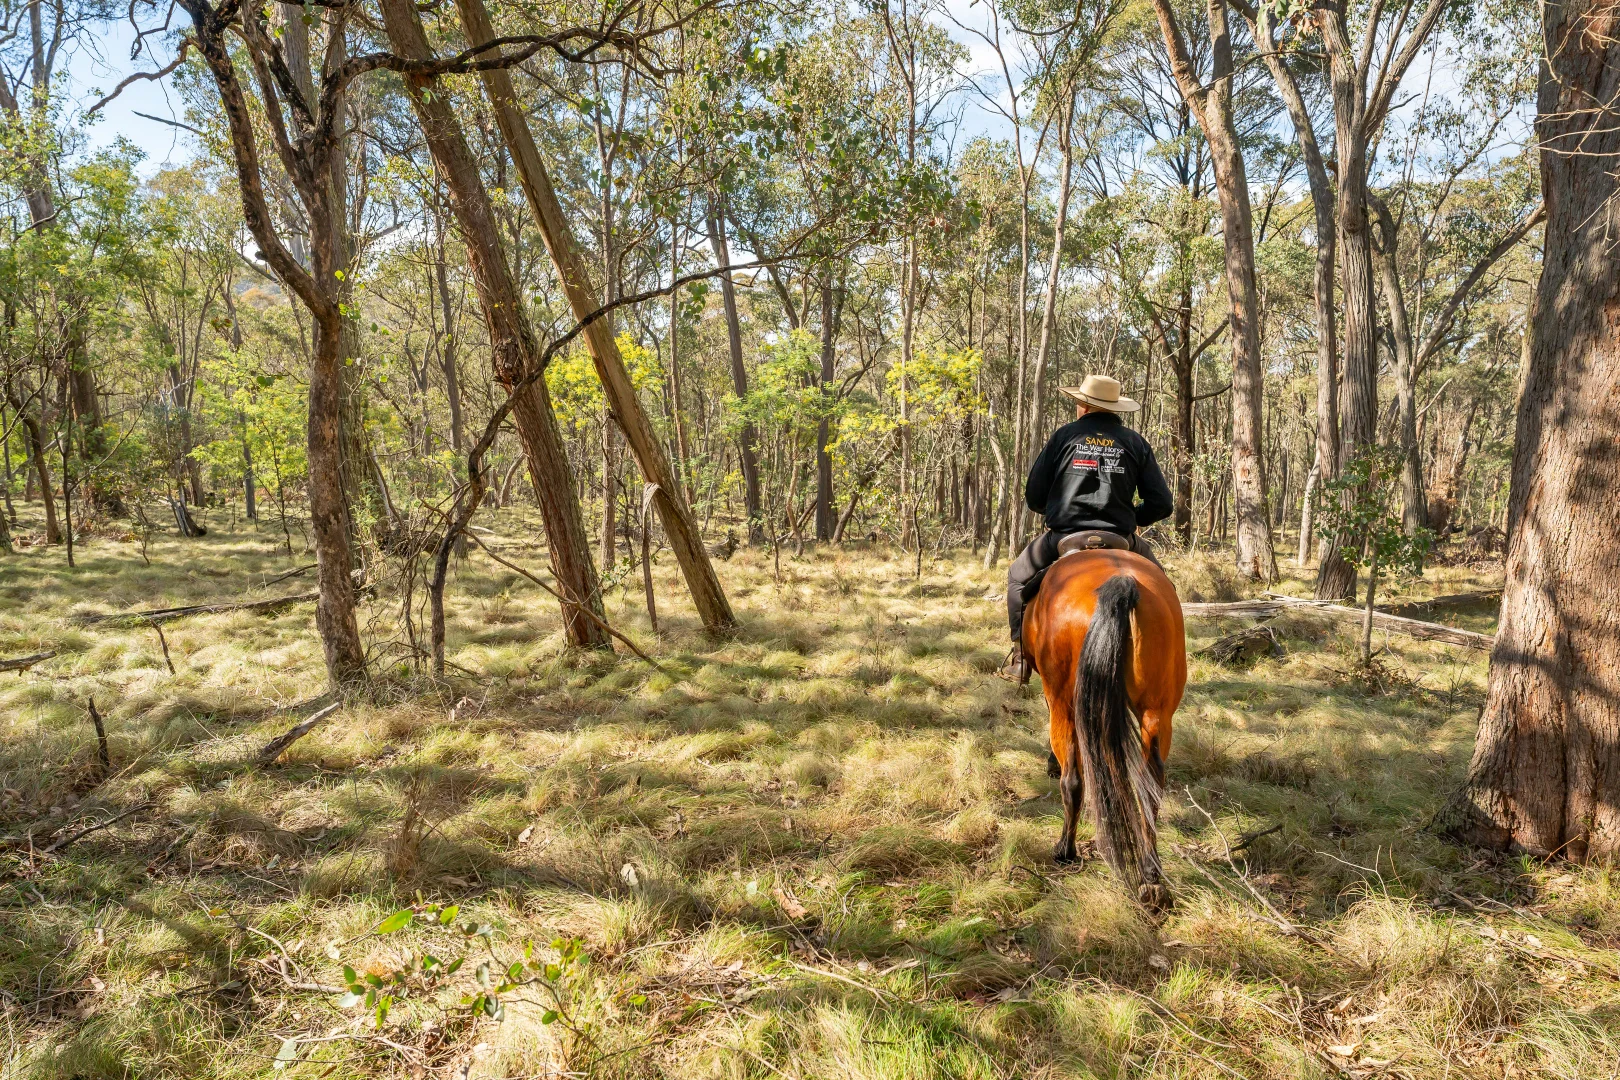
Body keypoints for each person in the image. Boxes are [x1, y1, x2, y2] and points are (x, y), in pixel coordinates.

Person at [1001, 374, 1173, 682]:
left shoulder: (1063, 436)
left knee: (1016, 576)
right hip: (1120, 539)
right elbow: (1162, 504)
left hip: (1065, 538)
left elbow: (1034, 496)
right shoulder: (1135, 442)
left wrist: (1056, 509)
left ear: (1083, 405)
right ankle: (1168, 655)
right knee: (1165, 589)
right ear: (1114, 407)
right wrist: (1132, 517)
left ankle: (1021, 657)